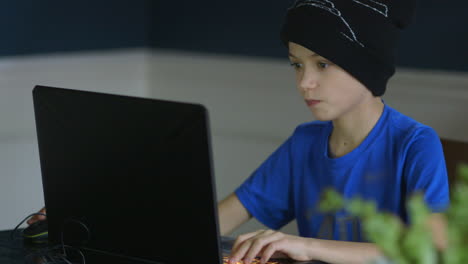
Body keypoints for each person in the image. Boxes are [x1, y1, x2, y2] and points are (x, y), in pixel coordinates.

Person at [30, 0, 450, 263]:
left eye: (323, 63)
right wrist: (104, 218)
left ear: (368, 65)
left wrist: (304, 246)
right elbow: (216, 219)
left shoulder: (415, 144)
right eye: (296, 64)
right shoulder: (304, 144)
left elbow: (426, 252)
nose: (304, 82)